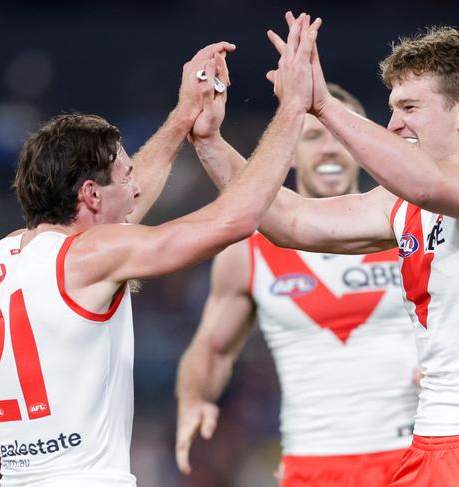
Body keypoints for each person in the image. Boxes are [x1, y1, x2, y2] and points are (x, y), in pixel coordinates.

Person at [191, 13, 459, 487]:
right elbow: (290, 221)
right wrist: (209, 142)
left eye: (409, 107)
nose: (393, 124)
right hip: (427, 448)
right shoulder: (405, 204)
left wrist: (324, 106)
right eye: (392, 109)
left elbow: (430, 183)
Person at [0, 15, 321, 486]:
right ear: (91, 195)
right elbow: (234, 219)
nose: (137, 190)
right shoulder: (88, 258)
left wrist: (181, 119)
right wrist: (293, 109)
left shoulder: (0, 258)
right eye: (125, 175)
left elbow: (119, 215)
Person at [175, 83, 419, 486]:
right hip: (314, 463)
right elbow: (212, 348)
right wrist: (194, 399)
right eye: (312, 137)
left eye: (341, 136)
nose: (328, 149)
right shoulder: (249, 251)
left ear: (364, 146)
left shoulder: (410, 230)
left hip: (413, 456)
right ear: (287, 155)